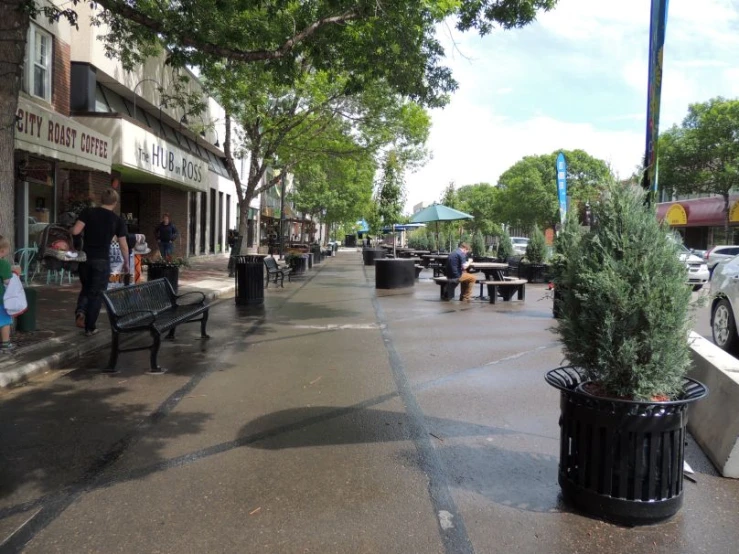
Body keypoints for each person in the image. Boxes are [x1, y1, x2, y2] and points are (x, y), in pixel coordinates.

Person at [71, 188, 129, 336]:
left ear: (101, 199)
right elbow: (123, 245)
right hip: (102, 260)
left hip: (85, 258)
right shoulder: (117, 220)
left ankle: (81, 311)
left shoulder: (88, 212)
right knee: (96, 294)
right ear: (115, 203)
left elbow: (75, 231)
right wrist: (127, 262)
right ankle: (90, 327)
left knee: (86, 287)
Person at [0, 236, 21, 353]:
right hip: (1, 299)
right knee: (5, 321)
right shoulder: (3, 263)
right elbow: (7, 281)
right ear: (3, 251)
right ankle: (5, 344)